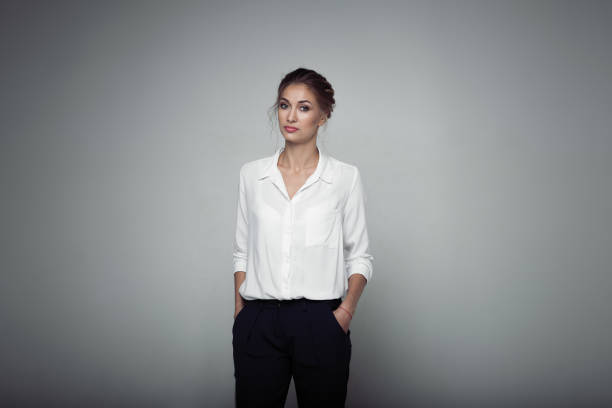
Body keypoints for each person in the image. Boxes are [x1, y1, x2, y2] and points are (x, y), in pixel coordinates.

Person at [231, 67, 374, 408]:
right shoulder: (252, 175)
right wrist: (241, 313)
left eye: (304, 107)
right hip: (259, 320)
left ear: (323, 116)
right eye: (284, 105)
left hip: (320, 322)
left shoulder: (344, 177)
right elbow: (241, 251)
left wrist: (344, 313)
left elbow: (360, 257)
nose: (291, 116)